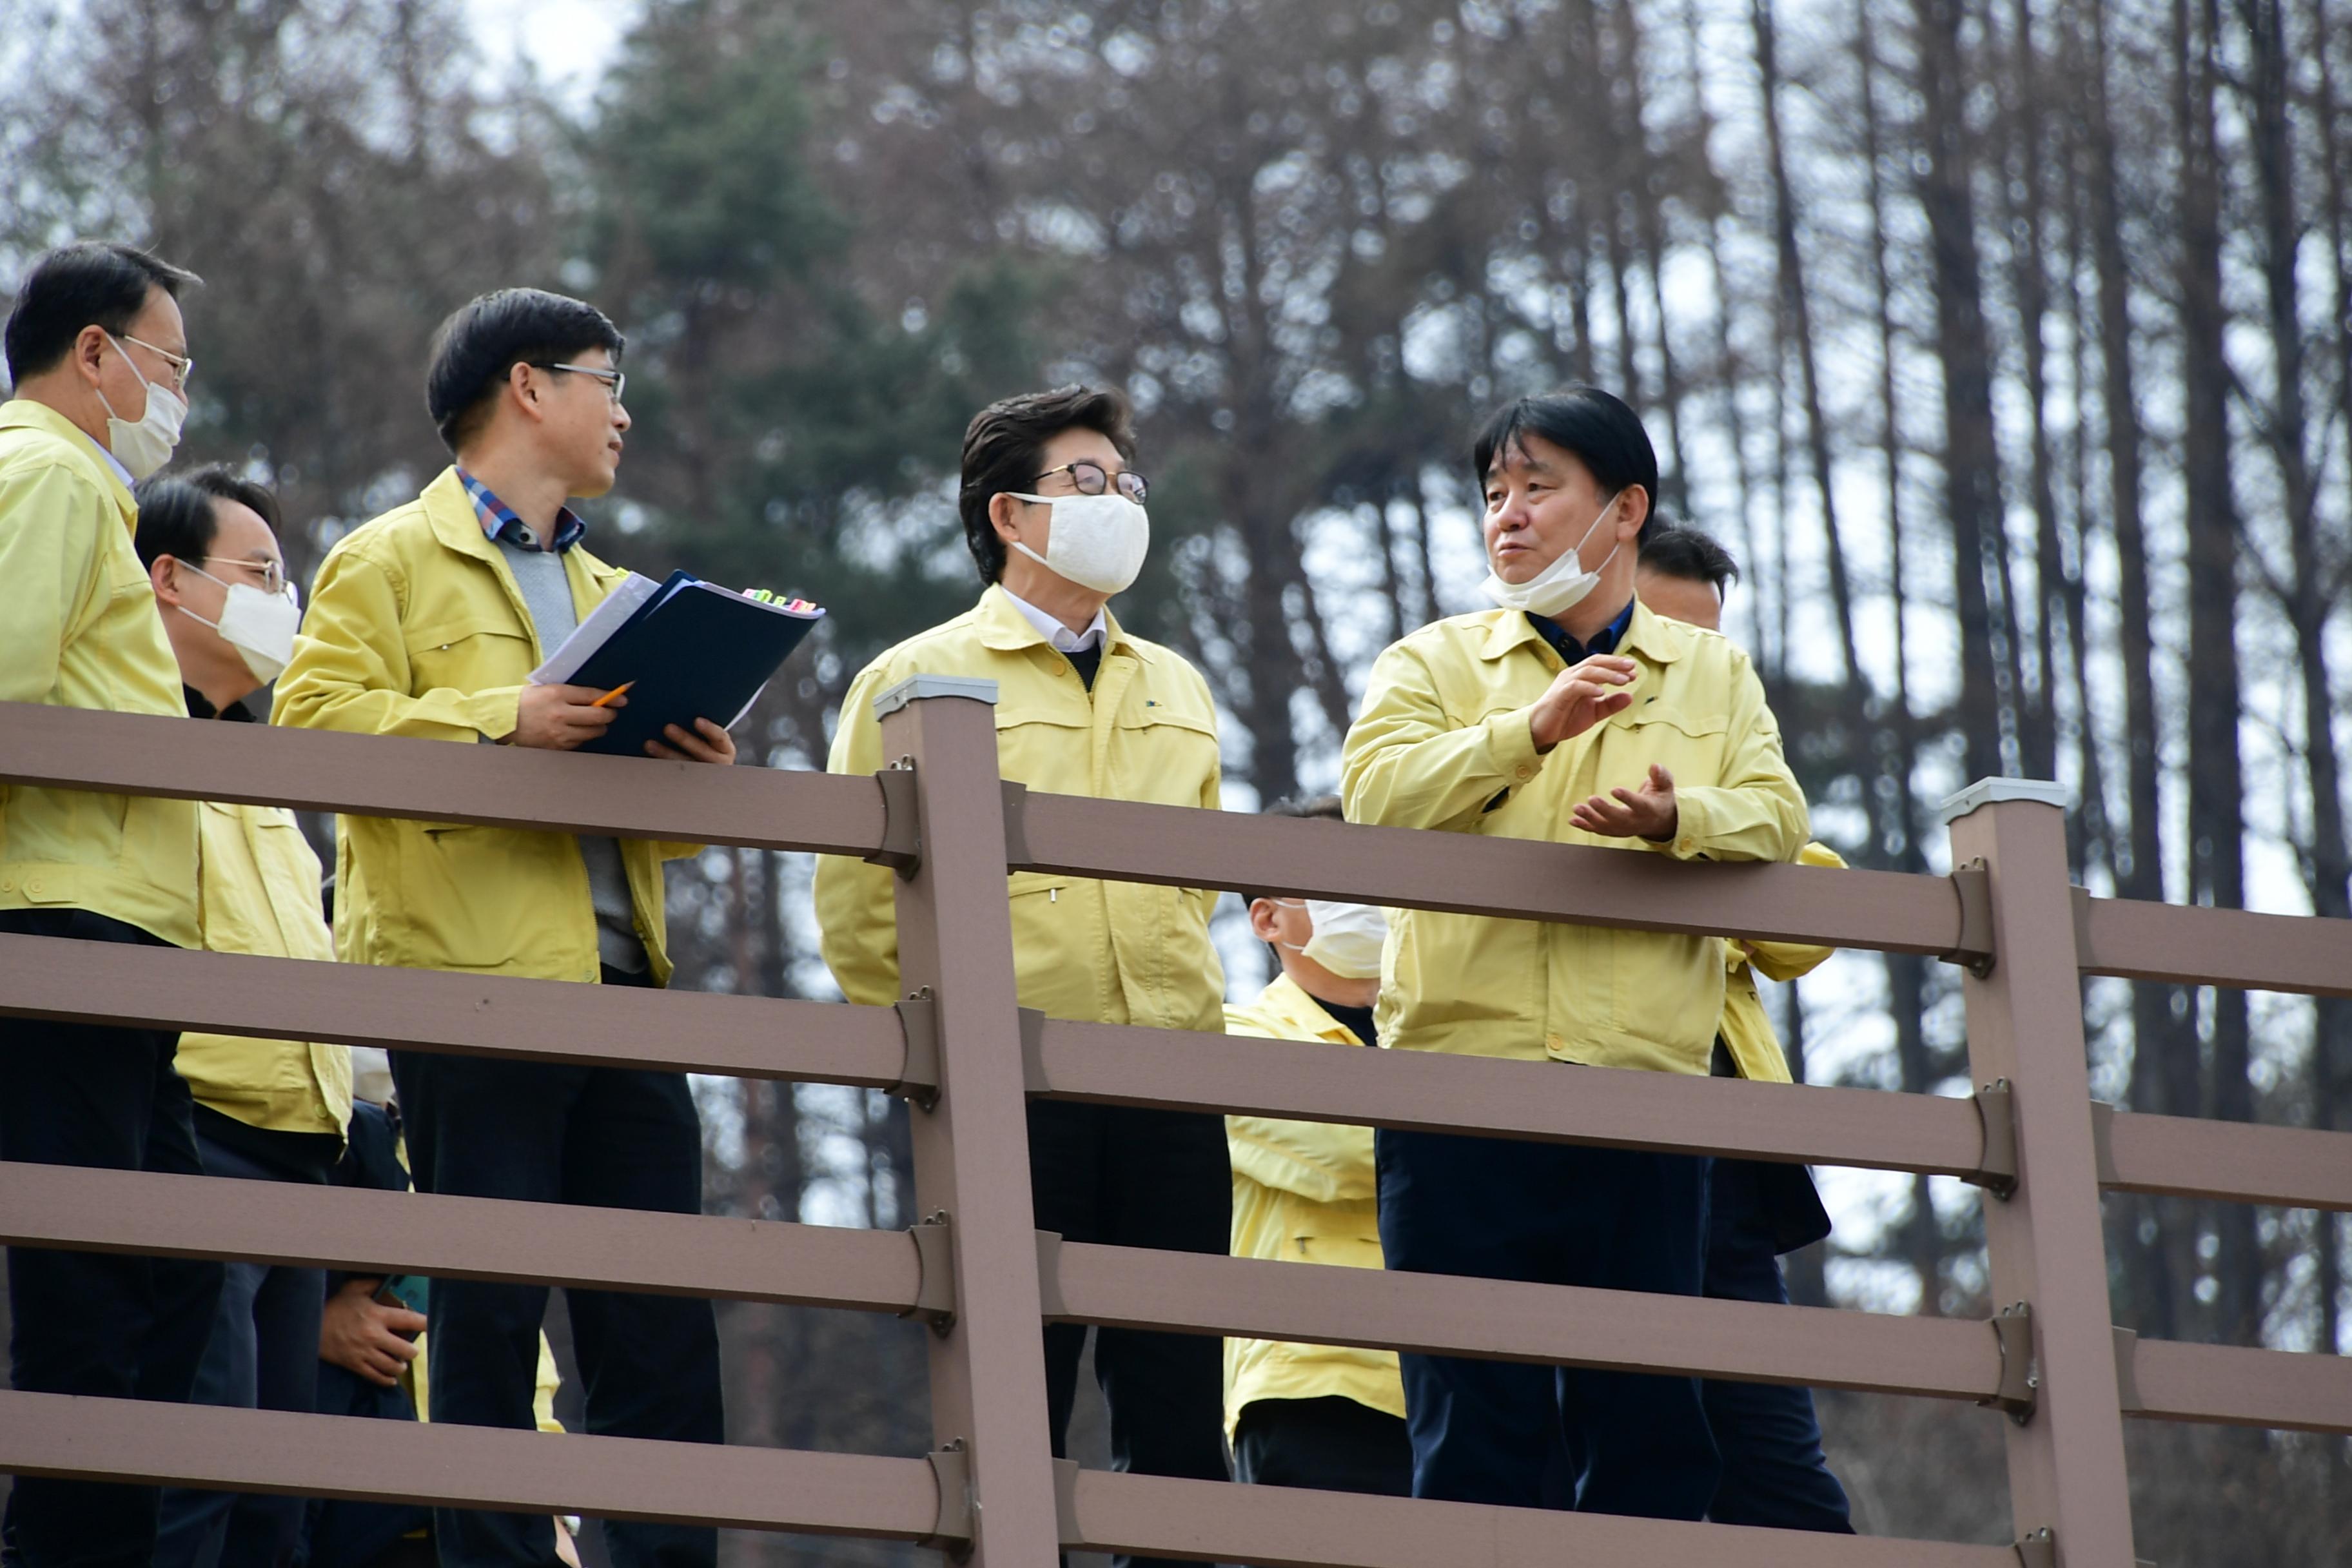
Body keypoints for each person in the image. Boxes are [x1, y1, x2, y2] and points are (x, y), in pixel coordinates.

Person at [272, 288, 730, 1568]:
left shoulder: (612, 585)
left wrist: (691, 757)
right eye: (606, 378)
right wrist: (495, 717)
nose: (624, 409)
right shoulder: (386, 558)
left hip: (625, 984)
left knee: (659, 1331)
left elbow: (647, 825)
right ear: (529, 386)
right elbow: (307, 733)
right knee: (488, 1315)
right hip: (468, 992)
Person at [1340, 387, 1808, 1519]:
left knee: (1647, 1427)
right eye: (1493, 492)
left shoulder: (1714, 672)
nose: (1507, 515)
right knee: (1472, 1429)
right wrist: (1526, 731)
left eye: (1538, 487)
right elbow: (1373, 801)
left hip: (1643, 1095)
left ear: (1623, 510)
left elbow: (1776, 816)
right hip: (1456, 1093)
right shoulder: (1428, 661)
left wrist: (1675, 821)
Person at [813, 385, 1230, 1568]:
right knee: (1014, 1410)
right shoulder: (915, 674)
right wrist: (951, 1057)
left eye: (1127, 483)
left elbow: (1189, 887)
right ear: (1008, 512)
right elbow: (857, 910)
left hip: (1167, 1082)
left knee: (1177, 1420)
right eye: (1087, 482)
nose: (1119, 504)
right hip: (1007, 1094)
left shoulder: (1179, 686)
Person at [0, 240, 224, 1568]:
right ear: (97, 352)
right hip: (63, 922)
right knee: (97, 1285)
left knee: (164, 1271)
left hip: (114, 932)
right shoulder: (48, 475)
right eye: (170, 364)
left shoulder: (63, 481)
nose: (177, 396)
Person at [130, 467, 357, 1568]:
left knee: (276, 1512)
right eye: (260, 573)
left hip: (300, 1165)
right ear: (167, 580)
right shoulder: (118, 737)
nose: (286, 598)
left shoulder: (267, 769)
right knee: (193, 1482)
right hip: (198, 1143)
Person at [1636, 524, 1855, 1533]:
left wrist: (1695, 831)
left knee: (1780, 1470)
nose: (1696, 666)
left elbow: (1803, 925)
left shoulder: (1733, 764)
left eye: (1716, 646)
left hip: (1725, 1150)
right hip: (1607, 1131)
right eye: (1667, 636)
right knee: (1632, 1449)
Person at [1223, 797, 1412, 1498]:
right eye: (1337, 878)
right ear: (1268, 918)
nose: (1365, 898)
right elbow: (1345, 1153)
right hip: (1315, 1384)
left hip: (1471, 1377)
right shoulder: (1231, 1039)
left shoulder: (1454, 1033)